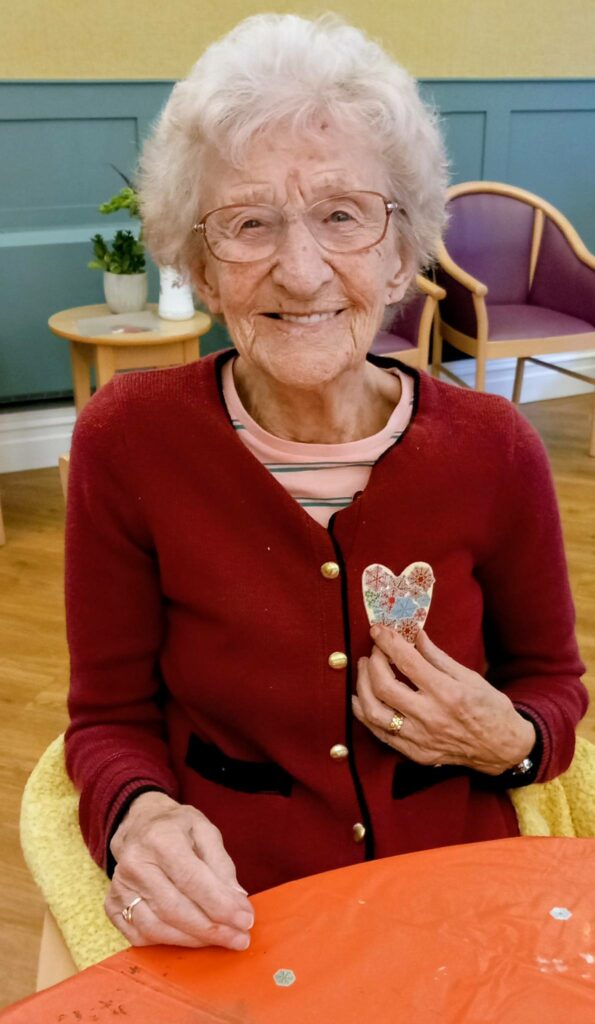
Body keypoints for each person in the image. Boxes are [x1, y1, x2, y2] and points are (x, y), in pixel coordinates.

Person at [64, 13, 587, 955]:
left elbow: (552, 688)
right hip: (240, 916)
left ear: (400, 253)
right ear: (198, 268)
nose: (300, 270)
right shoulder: (128, 442)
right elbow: (105, 721)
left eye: (342, 214)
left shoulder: (496, 447)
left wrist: (505, 738)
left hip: (462, 899)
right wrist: (138, 819)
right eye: (248, 224)